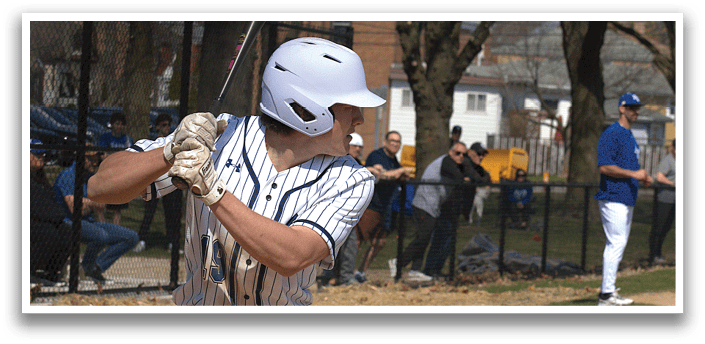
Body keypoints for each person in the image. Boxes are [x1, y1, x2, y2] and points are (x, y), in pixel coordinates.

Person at [87, 37, 384, 305]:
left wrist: (214, 192)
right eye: (350, 107)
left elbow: (292, 255)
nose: (359, 119)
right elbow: (101, 187)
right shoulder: (221, 134)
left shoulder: (351, 179)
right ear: (307, 108)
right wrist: (171, 151)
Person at [594, 92, 652, 306]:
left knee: (619, 243)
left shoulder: (629, 135)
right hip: (613, 196)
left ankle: (608, 292)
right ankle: (606, 294)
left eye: (637, 108)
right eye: (631, 107)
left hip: (626, 197)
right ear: (621, 108)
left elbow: (629, 167)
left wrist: (643, 176)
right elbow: (604, 166)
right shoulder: (612, 133)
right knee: (616, 243)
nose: (635, 111)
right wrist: (634, 174)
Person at [53, 143, 140, 284]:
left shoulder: (91, 177)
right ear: (82, 158)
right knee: (101, 236)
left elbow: (103, 205)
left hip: (88, 221)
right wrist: (92, 204)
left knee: (131, 237)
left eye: (96, 159)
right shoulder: (68, 175)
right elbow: (75, 210)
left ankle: (95, 267)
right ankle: (87, 267)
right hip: (67, 222)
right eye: (92, 159)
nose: (95, 162)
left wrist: (87, 203)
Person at [390, 141, 470, 282]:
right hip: (424, 204)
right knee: (423, 238)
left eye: (464, 154)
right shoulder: (446, 161)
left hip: (432, 206)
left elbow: (469, 174)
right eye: (458, 153)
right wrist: (465, 178)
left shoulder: (453, 164)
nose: (461, 156)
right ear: (451, 152)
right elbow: (459, 178)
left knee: (424, 238)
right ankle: (397, 262)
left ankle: (415, 270)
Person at [354, 131, 411, 283]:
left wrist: (400, 174)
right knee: (357, 241)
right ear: (385, 142)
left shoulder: (394, 161)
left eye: (398, 142)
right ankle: (343, 272)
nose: (395, 144)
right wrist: (399, 172)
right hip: (370, 206)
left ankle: (360, 272)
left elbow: (396, 175)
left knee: (379, 242)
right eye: (392, 140)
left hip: (384, 208)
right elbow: (382, 175)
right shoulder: (376, 155)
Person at [318, 133, 365, 287]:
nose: (358, 149)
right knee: (334, 244)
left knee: (345, 245)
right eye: (355, 146)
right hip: (333, 209)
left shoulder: (353, 163)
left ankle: (338, 276)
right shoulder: (337, 160)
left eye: (360, 147)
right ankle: (333, 277)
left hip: (347, 208)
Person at [134, 113, 183, 254]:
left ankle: (171, 243)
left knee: (171, 214)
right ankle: (142, 240)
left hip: (170, 181)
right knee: (149, 213)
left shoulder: (173, 142)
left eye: (168, 125)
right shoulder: (153, 143)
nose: (166, 128)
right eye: (163, 125)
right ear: (157, 127)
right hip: (154, 182)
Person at [29, 139, 73, 287]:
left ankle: (50, 273)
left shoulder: (41, 179)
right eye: (36, 154)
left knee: (68, 232)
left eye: (42, 154)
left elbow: (50, 204)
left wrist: (55, 216)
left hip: (43, 220)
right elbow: (35, 208)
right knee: (48, 234)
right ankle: (29, 271)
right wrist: (53, 215)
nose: (41, 156)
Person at [98, 112, 133, 226]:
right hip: (107, 174)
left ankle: (115, 230)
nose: (119, 126)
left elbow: (129, 157)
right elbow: (104, 156)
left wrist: (113, 157)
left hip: (120, 175)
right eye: (117, 124)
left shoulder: (127, 139)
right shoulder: (105, 138)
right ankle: (103, 228)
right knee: (102, 204)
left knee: (118, 207)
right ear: (112, 124)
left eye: (121, 124)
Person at [649, 139, 675, 265]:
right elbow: (659, 177)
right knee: (660, 227)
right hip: (665, 199)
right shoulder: (667, 160)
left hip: (675, 200)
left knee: (667, 227)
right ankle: (653, 254)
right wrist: (672, 184)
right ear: (673, 148)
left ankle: (658, 253)